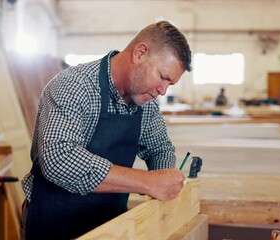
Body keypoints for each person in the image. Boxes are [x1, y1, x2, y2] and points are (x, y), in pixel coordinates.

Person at [20, 20, 192, 240]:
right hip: (54, 223)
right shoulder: (74, 86)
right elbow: (58, 159)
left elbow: (159, 148)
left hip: (110, 227)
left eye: (170, 85)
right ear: (140, 53)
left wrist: (164, 183)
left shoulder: (145, 103)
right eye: (162, 77)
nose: (162, 90)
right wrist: (147, 182)